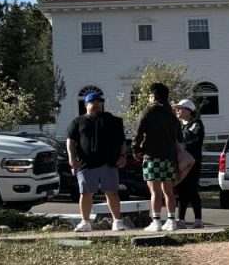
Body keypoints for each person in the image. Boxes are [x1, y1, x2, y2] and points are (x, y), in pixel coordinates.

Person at [66, 92, 129, 232]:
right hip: (86, 163)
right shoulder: (77, 122)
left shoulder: (112, 120)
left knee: (112, 192)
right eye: (94, 104)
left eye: (100, 104)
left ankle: (117, 221)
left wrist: (122, 155)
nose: (98, 106)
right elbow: (70, 141)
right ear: (86, 105)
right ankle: (85, 222)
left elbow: (121, 140)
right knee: (85, 193)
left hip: (109, 162)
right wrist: (71, 157)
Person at [132, 82, 182, 232]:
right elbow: (179, 137)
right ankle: (171, 220)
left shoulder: (148, 112)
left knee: (155, 191)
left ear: (153, 96)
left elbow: (138, 133)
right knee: (168, 191)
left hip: (152, 156)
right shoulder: (172, 116)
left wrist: (135, 148)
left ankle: (156, 221)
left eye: (149, 95)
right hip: (169, 157)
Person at [173, 98, 205, 228]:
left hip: (192, 163)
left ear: (189, 111)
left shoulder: (196, 123)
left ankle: (198, 220)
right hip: (181, 162)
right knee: (181, 191)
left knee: (192, 190)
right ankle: (181, 220)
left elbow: (188, 137)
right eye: (176, 109)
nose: (177, 111)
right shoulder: (181, 125)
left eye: (180, 109)